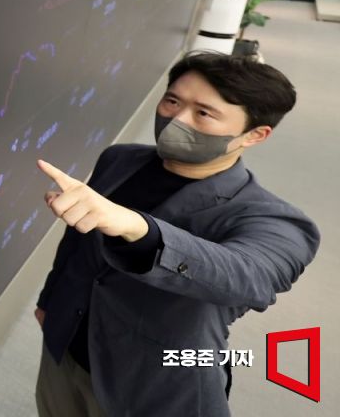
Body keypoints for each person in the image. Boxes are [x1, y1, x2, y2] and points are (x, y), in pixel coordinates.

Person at [32, 51, 320, 416]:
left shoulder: (274, 219)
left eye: (204, 113)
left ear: (255, 135)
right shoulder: (120, 159)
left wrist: (140, 229)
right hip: (64, 352)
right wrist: (50, 300)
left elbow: (250, 277)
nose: (178, 119)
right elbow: (77, 242)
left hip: (150, 388)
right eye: (172, 101)